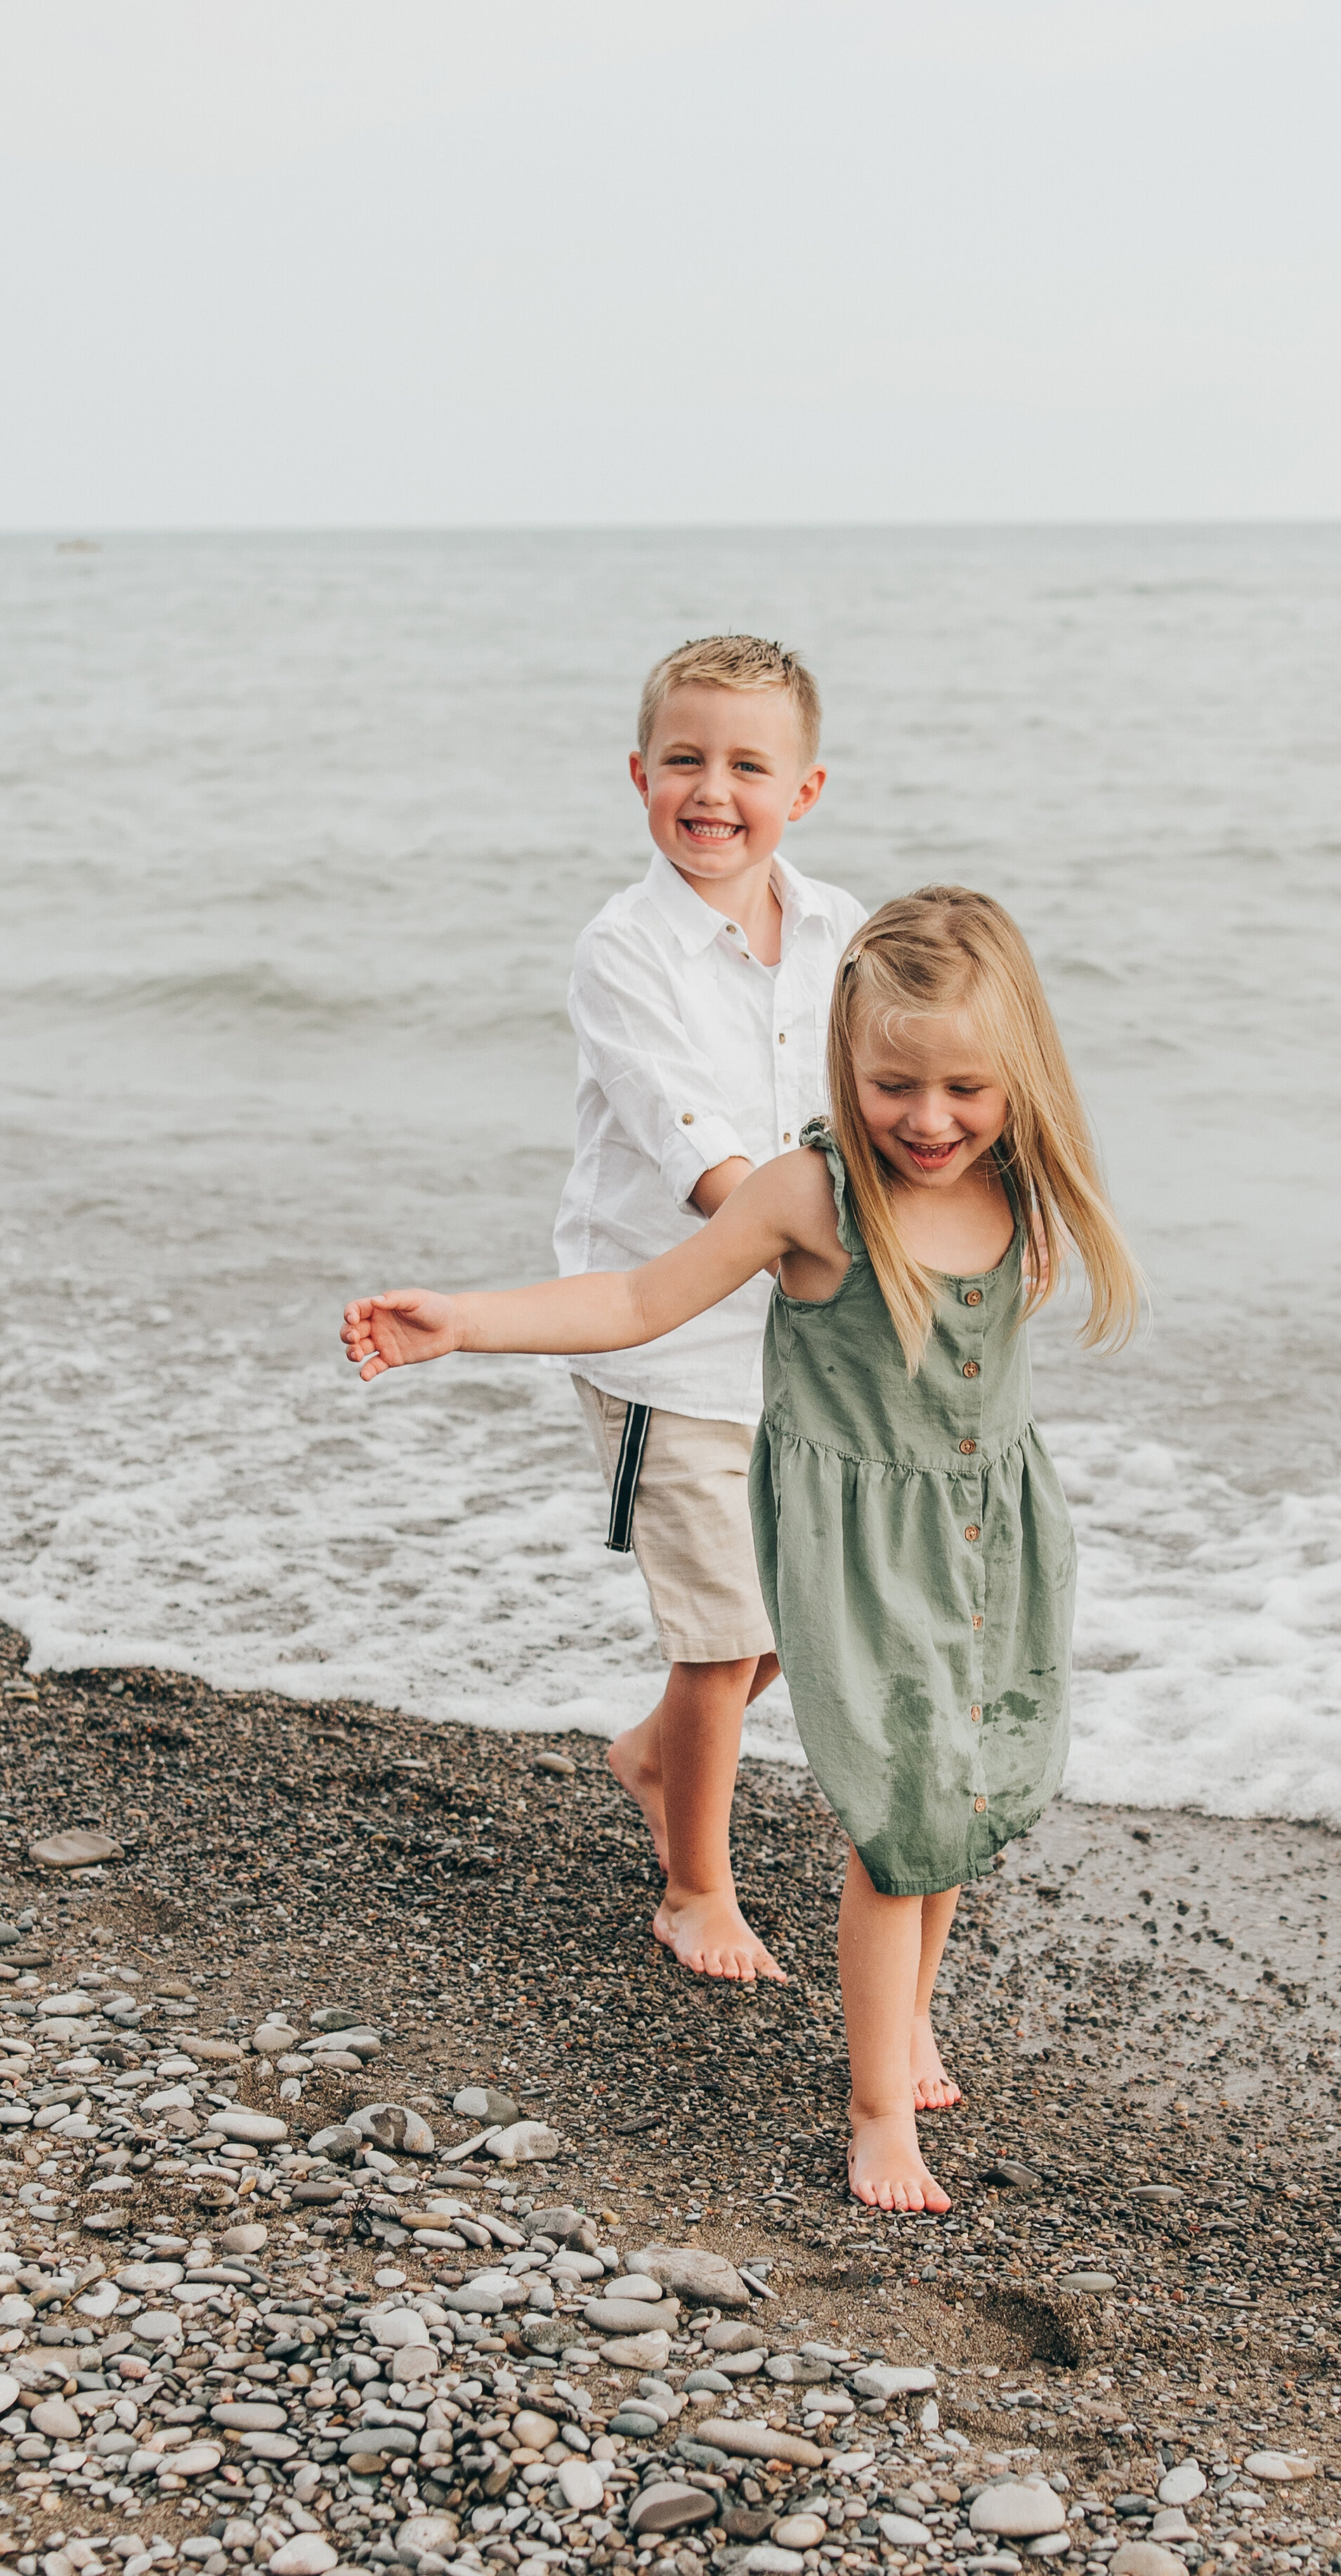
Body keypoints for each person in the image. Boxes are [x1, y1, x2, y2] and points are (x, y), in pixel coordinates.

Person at [341, 886, 1141, 2212]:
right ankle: (878, 2108)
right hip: (861, 1546)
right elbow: (638, 1297)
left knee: (961, 1795)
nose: (928, 1119)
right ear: (846, 1064)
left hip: (991, 1531)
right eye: (894, 1084)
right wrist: (463, 1323)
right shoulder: (812, 1198)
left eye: (964, 1088)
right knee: (895, 1821)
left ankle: (908, 2019)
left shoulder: (1019, 1183)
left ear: (1020, 1077)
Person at [554, 633, 865, 1988]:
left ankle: (652, 1758)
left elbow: (886, 1089)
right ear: (639, 774)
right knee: (720, 1627)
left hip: (802, 1338)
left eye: (749, 764)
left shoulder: (847, 928)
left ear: (804, 790)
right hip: (663, 1334)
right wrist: (812, 1241)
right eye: (686, 760)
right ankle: (694, 1889)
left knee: (813, 1607)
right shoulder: (626, 950)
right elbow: (696, 1150)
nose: (713, 789)